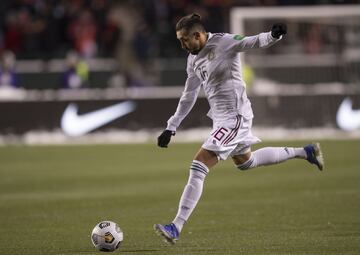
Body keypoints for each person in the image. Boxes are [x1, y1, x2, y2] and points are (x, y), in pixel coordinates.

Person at [153, 13, 324, 245]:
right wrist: (171, 127)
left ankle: (176, 226)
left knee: (198, 165)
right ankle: (306, 152)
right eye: (180, 41)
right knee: (246, 162)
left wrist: (273, 36)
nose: (182, 45)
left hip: (235, 116)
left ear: (198, 35)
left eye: (184, 40)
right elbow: (188, 96)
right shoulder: (193, 59)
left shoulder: (223, 42)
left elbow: (250, 41)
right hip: (221, 118)